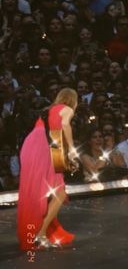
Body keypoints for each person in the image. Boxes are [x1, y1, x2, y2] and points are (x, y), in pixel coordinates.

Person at [17, 88, 79, 250]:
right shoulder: (68, 109)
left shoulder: (47, 110)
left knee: (37, 192)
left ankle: (37, 233)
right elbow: (64, 125)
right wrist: (72, 150)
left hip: (31, 145)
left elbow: (50, 132)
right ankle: (40, 233)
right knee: (59, 192)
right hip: (44, 148)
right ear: (73, 100)